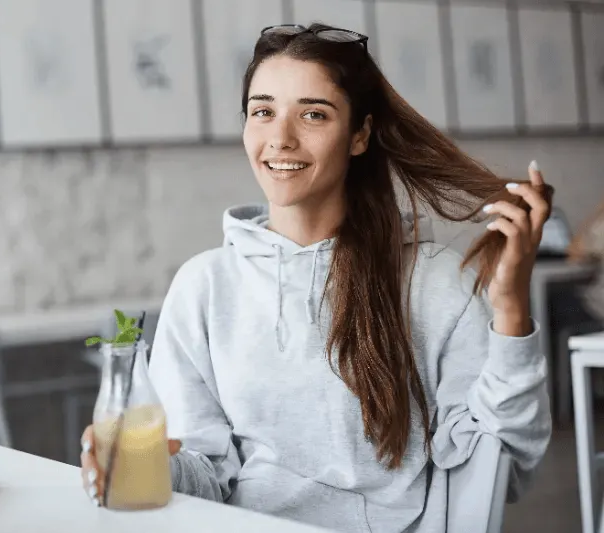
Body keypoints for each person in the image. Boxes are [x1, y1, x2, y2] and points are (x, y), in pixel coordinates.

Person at [80, 23, 552, 532]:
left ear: (360, 135)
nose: (280, 138)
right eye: (262, 111)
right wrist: (140, 470)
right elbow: (206, 474)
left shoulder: (436, 283)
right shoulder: (204, 287)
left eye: (312, 114)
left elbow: (501, 469)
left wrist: (510, 314)